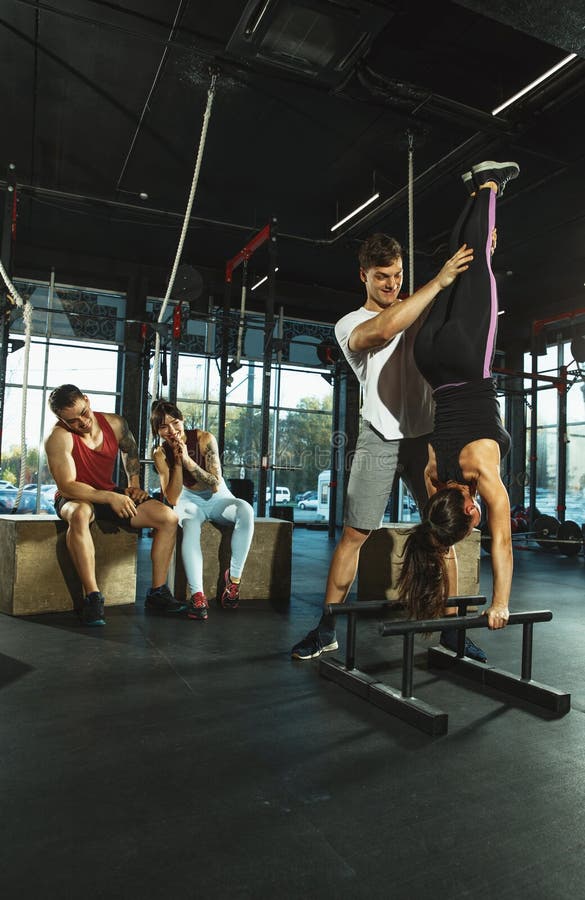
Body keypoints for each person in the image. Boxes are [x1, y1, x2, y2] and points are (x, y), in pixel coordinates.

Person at [291, 230, 475, 661]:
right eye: (382, 277)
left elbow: (464, 303)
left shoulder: (417, 307)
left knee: (443, 534)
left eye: (397, 275)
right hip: (379, 435)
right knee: (354, 535)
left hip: (424, 437)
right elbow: (386, 329)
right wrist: (437, 282)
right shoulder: (350, 324)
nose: (392, 285)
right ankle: (326, 627)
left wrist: (483, 250)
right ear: (364, 276)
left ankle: (450, 630)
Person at [397, 160, 518, 650]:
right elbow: (435, 536)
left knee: (482, 262)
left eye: (472, 517)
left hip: (468, 356)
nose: (477, 518)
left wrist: (500, 603)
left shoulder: (482, 474)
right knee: (466, 258)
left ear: (469, 507)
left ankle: (489, 183)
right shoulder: (433, 480)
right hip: (430, 359)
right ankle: (472, 194)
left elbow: (504, 543)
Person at [45, 384, 184, 626]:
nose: (83, 422)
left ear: (87, 400)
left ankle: (158, 592)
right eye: (73, 421)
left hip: (109, 492)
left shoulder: (115, 423)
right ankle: (93, 597)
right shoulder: (58, 437)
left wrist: (134, 485)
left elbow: (129, 451)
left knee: (168, 518)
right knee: (79, 514)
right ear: (60, 419)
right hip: (75, 497)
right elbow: (67, 485)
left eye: (84, 413)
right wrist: (110, 497)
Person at [150, 400, 255, 621]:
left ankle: (233, 583)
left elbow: (214, 483)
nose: (171, 431)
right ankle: (198, 596)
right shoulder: (160, 454)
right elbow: (171, 497)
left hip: (218, 497)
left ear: (183, 421)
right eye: (163, 427)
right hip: (187, 499)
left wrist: (187, 460)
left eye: (175, 423)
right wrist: (177, 463)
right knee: (189, 524)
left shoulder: (204, 438)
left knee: (245, 509)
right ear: (157, 431)